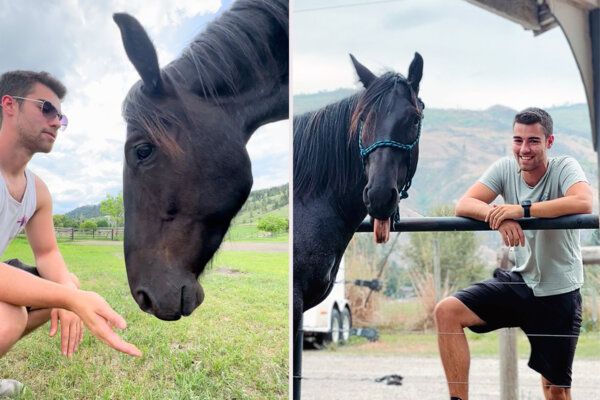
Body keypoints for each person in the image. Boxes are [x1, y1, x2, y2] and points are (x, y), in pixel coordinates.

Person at [434, 107, 592, 400]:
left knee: (555, 390)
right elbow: (465, 204)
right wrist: (499, 216)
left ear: (549, 142)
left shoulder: (565, 167)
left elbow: (583, 202)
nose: (524, 149)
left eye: (533, 140)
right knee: (447, 311)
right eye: (518, 140)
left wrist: (521, 210)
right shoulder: (505, 168)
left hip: (559, 294)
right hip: (520, 284)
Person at [0, 71, 142, 396]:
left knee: (66, 281)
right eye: (46, 108)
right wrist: (70, 299)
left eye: (61, 116)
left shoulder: (38, 192)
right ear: (9, 105)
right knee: (11, 316)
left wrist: (67, 291)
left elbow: (49, 254)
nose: (56, 121)